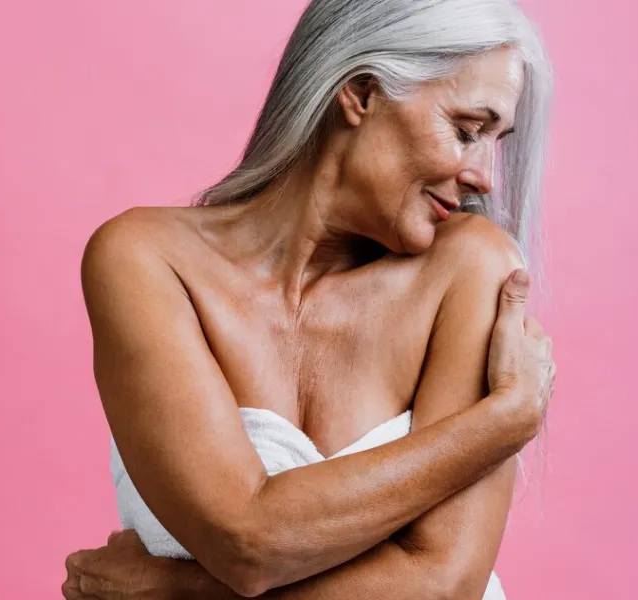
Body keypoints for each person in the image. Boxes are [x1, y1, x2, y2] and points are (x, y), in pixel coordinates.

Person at [63, 0, 555, 598]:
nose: (486, 176)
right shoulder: (146, 259)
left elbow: (445, 583)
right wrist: (500, 423)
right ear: (363, 94)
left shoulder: (473, 269)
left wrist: (174, 591)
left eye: (496, 142)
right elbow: (245, 543)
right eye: (467, 131)